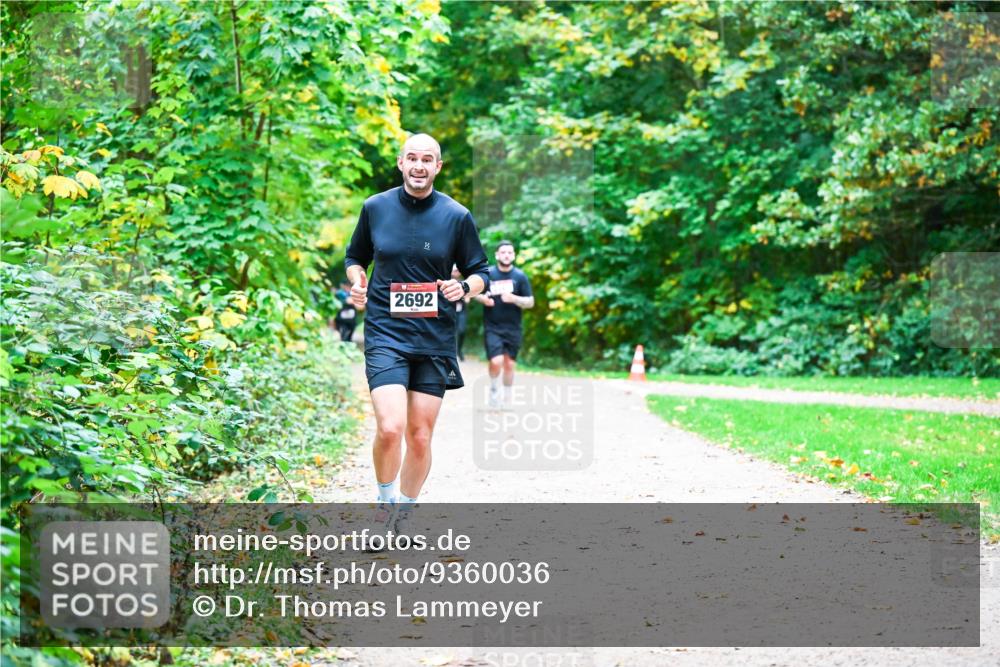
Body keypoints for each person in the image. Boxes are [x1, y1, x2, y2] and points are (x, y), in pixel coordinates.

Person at [345, 133, 489, 536]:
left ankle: (404, 515)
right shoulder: (375, 207)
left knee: (420, 436)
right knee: (391, 427)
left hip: (433, 337)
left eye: (428, 159)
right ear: (401, 163)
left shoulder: (456, 215)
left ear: (438, 167)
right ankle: (383, 506)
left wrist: (465, 287)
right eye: (412, 158)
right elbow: (355, 257)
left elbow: (481, 271)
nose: (419, 166)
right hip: (385, 332)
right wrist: (357, 281)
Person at [474, 240, 534, 407]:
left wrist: (514, 298)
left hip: (513, 328)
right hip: (492, 327)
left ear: (513, 255)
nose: (506, 255)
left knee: (509, 364)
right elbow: (474, 293)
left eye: (509, 252)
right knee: (496, 361)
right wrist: (483, 299)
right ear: (497, 255)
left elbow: (530, 302)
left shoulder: (520, 276)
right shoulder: (489, 274)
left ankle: (507, 396)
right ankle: (494, 389)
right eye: (503, 252)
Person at [451, 265, 470, 360]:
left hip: (461, 310)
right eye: (455, 270)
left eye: (458, 270)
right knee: (451, 331)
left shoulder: (464, 282)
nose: (456, 272)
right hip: (449, 311)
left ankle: (459, 350)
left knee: (461, 330)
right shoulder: (445, 281)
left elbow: (468, 298)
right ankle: (452, 352)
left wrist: (465, 297)